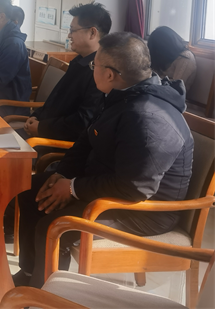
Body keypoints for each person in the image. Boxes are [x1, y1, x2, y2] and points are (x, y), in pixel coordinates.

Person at [12, 32, 193, 289]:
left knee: (53, 225)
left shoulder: (148, 116)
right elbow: (87, 140)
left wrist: (72, 188)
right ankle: (30, 274)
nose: (92, 69)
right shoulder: (122, 95)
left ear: (109, 74)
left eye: (93, 65)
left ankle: (44, 295)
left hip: (143, 209)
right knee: (31, 193)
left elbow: (135, 187)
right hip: (110, 185)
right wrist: (63, 175)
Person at [22, 2, 109, 142]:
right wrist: (36, 116)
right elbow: (55, 101)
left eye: (73, 30)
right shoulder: (79, 62)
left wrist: (41, 127)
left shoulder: (100, 71)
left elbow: (83, 121)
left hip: (56, 143)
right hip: (43, 132)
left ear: (92, 33)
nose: (69, 35)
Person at [147, 26, 197, 92]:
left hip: (170, 95)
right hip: (154, 90)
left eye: (157, 50)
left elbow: (176, 87)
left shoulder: (185, 58)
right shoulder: (164, 57)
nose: (156, 53)